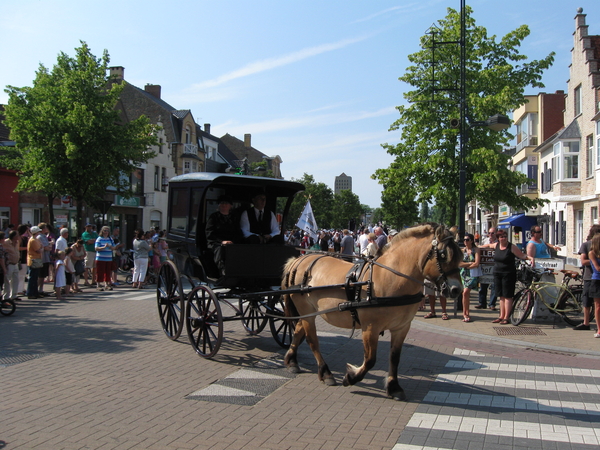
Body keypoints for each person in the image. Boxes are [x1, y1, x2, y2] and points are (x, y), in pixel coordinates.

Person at [480, 230, 534, 324]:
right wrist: (476, 247)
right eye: (501, 237)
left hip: (508, 274)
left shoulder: (511, 247)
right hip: (497, 273)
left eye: (505, 236)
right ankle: (501, 316)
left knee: (507, 296)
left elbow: (522, 255)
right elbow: (488, 246)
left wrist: (531, 258)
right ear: (498, 238)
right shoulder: (496, 245)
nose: (504, 238)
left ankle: (506, 317)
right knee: (501, 296)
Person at [206, 195, 240, 276]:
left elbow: (238, 232)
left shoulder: (234, 218)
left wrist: (233, 241)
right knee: (220, 249)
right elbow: (209, 232)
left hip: (232, 243)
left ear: (230, 206)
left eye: (226, 203)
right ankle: (223, 271)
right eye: (222, 203)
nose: (224, 205)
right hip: (216, 243)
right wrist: (222, 241)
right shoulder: (214, 217)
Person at [574, 224, 600, 330]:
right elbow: (583, 261)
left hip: (595, 277)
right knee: (587, 300)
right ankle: (586, 322)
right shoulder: (586, 245)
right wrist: (594, 260)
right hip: (590, 276)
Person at [459, 233, 480, 323]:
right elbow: (459, 264)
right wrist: (469, 264)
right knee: (464, 294)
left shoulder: (476, 250)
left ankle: (466, 313)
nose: (465, 242)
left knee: (466, 292)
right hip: (463, 274)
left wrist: (466, 265)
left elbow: (476, 263)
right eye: (464, 240)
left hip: (472, 274)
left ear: (471, 240)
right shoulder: (462, 251)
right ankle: (465, 313)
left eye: (467, 240)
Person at [476, 227, 498, 310]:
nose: (491, 235)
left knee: (494, 286)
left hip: (495, 267)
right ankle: (482, 303)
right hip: (485, 267)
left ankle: (492, 304)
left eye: (493, 233)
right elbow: (479, 248)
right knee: (482, 286)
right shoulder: (485, 240)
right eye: (489, 233)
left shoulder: (499, 242)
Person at [585, 233, 600, 339]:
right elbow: (597, 268)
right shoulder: (592, 253)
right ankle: (599, 329)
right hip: (597, 280)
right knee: (598, 306)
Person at [95, 226, 115, 291]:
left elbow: (114, 247)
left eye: (107, 231)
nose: (106, 232)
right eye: (105, 231)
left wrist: (110, 246)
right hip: (101, 258)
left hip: (109, 258)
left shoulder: (110, 239)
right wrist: (103, 247)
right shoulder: (99, 239)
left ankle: (107, 284)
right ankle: (98, 285)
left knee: (108, 271)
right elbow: (96, 248)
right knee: (100, 271)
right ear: (102, 231)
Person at [36, 223, 54, 297]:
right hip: (42, 258)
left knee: (43, 275)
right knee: (40, 275)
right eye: (45, 228)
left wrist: (49, 246)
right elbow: (46, 247)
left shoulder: (44, 236)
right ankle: (36, 290)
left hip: (46, 258)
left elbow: (48, 247)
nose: (46, 229)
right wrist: (50, 245)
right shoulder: (40, 237)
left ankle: (41, 290)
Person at [3, 230, 21, 302]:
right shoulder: (6, 242)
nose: (18, 237)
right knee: (7, 280)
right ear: (14, 236)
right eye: (17, 235)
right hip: (9, 264)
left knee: (15, 280)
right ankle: (6, 297)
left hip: (15, 263)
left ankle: (14, 295)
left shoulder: (17, 243)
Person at [26, 226, 44, 299]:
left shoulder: (35, 239)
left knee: (35, 277)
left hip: (37, 259)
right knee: (32, 278)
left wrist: (41, 247)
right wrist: (42, 248)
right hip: (33, 260)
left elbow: (41, 246)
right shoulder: (33, 240)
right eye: (38, 231)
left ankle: (35, 292)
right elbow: (39, 250)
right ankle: (30, 293)